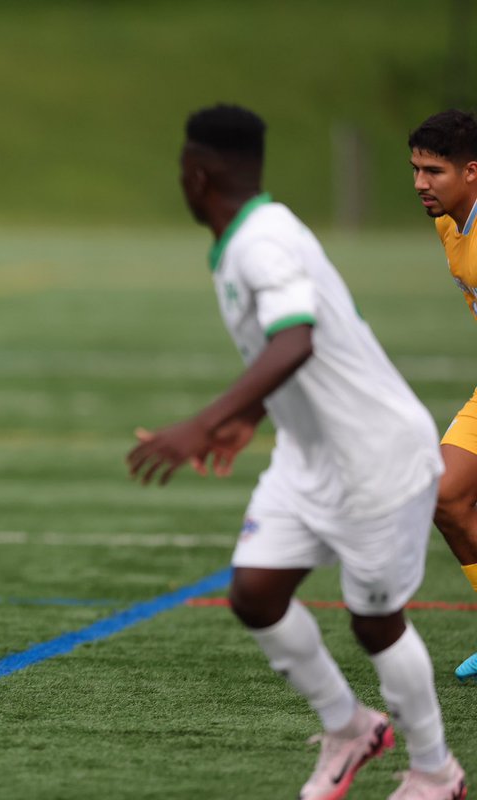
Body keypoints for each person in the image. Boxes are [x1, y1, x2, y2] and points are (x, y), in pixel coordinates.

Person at [127, 104, 465, 799]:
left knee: (375, 622)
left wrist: (204, 423)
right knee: (255, 593)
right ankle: (351, 727)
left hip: (377, 457)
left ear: (197, 174)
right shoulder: (248, 237)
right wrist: (249, 416)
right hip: (310, 457)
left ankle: (437, 772)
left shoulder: (263, 242)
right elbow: (299, 345)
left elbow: (296, 338)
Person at [408, 109, 477, 682]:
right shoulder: (449, 224)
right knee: (445, 496)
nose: (420, 183)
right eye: (415, 169)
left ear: (471, 171)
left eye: (434, 171)